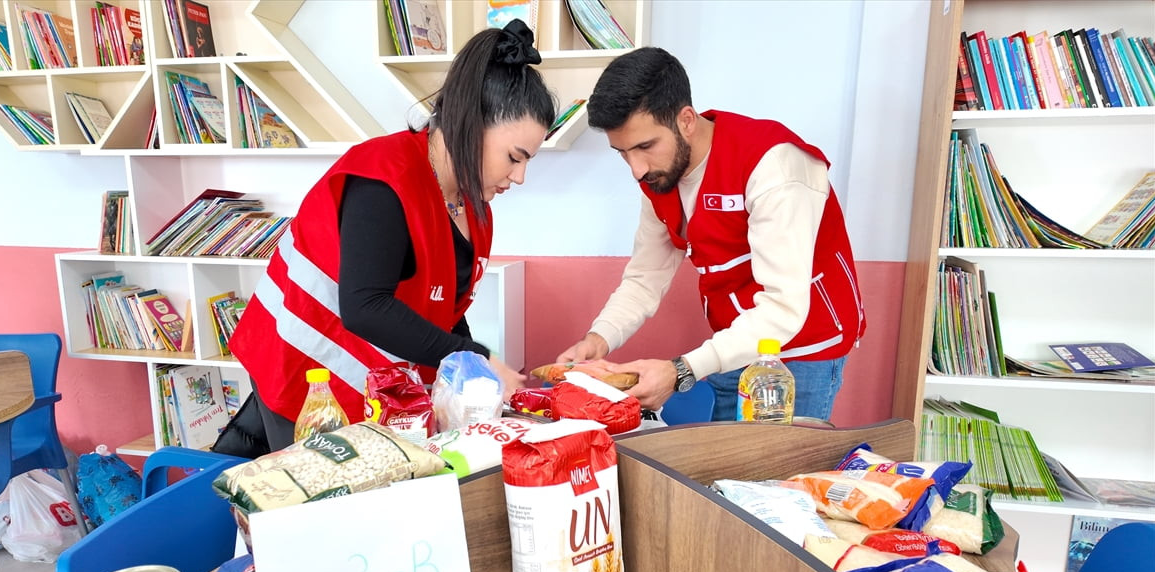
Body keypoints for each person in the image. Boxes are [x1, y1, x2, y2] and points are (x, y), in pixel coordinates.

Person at [229, 20, 555, 450]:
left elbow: (443, 309)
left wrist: (473, 370)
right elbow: (365, 307)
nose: (520, 176)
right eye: (515, 157)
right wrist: (478, 357)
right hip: (301, 365)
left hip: (359, 376)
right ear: (471, 123)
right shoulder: (385, 177)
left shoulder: (471, 206)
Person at [557, 47, 865, 422]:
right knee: (726, 472)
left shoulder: (775, 166)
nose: (636, 169)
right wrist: (599, 338)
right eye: (622, 152)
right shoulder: (659, 177)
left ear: (686, 120)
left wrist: (682, 369)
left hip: (801, 351)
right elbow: (644, 280)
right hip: (731, 343)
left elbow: (782, 308)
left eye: (644, 146)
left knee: (780, 476)